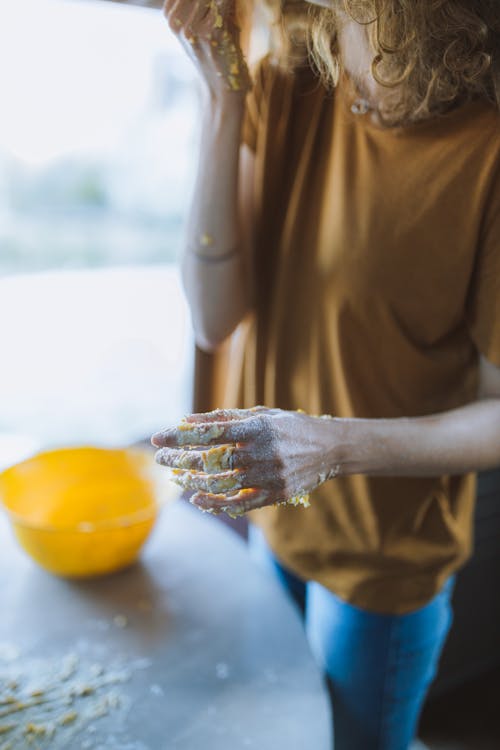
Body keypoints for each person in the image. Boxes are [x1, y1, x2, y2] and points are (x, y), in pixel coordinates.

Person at [152, 1, 500, 748]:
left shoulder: (486, 150)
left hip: (382, 567)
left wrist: (333, 446)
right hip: (274, 523)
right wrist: (223, 100)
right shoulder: (289, 81)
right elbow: (214, 316)